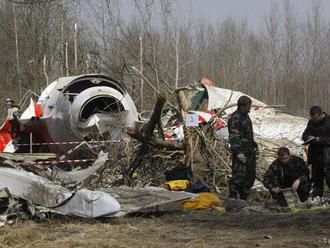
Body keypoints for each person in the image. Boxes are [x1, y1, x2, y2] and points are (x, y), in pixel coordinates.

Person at [227, 95, 258, 200]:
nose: (250, 108)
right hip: (241, 152)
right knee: (238, 176)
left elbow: (247, 133)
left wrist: (253, 144)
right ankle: (233, 197)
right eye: (248, 106)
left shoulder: (245, 116)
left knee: (250, 176)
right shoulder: (235, 118)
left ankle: (244, 198)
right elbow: (234, 137)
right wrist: (238, 152)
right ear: (242, 106)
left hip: (249, 151)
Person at [302, 105, 330, 197]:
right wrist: (308, 137)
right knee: (316, 178)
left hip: (327, 154)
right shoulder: (311, 122)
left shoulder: (328, 121)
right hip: (315, 155)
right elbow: (305, 135)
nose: (314, 120)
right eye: (312, 118)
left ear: (321, 114)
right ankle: (318, 197)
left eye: (315, 118)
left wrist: (319, 139)